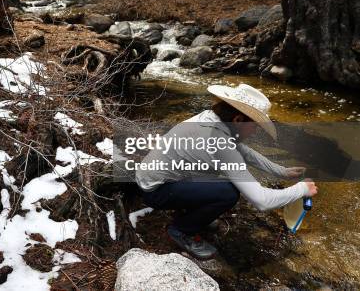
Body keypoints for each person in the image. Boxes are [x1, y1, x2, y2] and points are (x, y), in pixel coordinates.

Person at [135, 84, 318, 259]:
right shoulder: (220, 143)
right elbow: (261, 201)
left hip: (151, 178)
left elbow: (243, 151)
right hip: (156, 191)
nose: (255, 132)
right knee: (228, 192)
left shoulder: (210, 118)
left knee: (215, 175)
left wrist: (281, 172)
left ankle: (191, 213)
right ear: (238, 120)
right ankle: (181, 230)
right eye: (255, 126)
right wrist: (301, 189)